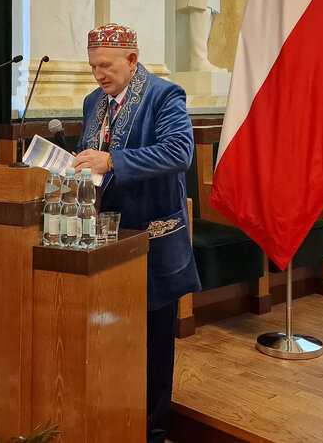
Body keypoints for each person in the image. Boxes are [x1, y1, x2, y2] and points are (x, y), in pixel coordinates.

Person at [74, 23, 202, 443]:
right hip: (105, 239)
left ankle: (153, 429)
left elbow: (178, 152)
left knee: (154, 344)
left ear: (132, 59)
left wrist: (112, 161)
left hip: (152, 238)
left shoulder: (165, 96)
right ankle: (114, 416)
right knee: (112, 337)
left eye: (106, 66)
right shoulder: (94, 101)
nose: (98, 75)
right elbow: (92, 158)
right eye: (93, 67)